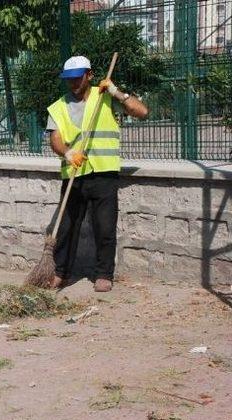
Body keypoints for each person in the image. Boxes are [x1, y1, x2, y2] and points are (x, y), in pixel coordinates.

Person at [46, 56, 148, 292]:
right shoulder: (58, 106)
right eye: (68, 79)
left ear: (89, 75)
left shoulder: (104, 97)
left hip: (104, 173)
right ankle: (61, 273)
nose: (73, 83)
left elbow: (141, 112)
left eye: (77, 78)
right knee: (66, 227)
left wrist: (116, 93)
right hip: (75, 173)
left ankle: (103, 274)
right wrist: (68, 153)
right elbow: (55, 138)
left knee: (104, 226)